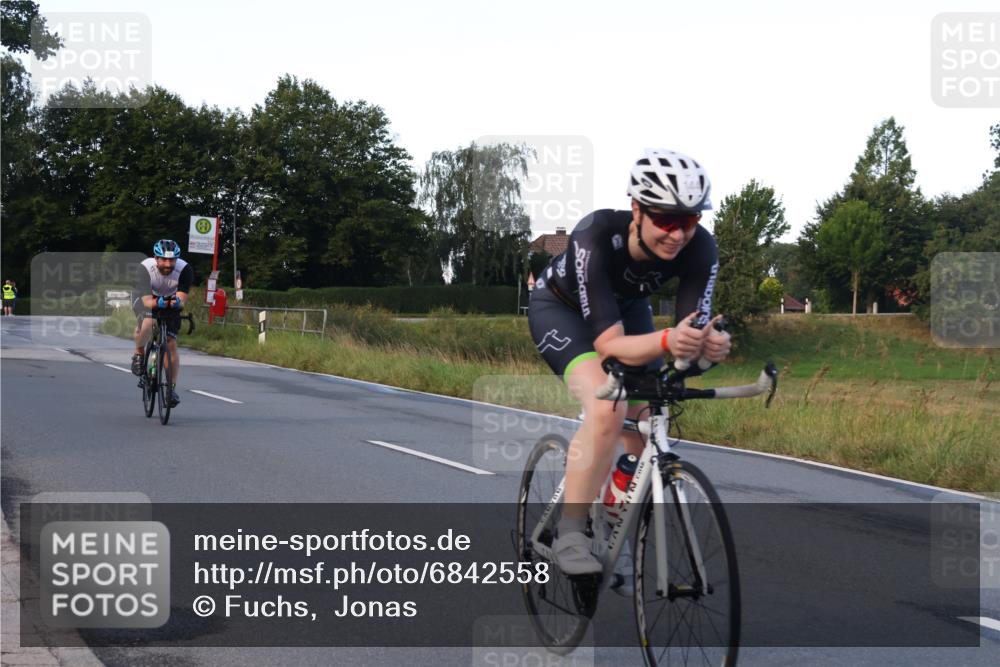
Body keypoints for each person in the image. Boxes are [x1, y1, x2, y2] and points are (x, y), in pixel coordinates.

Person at [527, 149, 732, 577]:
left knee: (648, 418)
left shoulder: (702, 249)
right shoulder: (597, 233)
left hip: (626, 308)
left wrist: (706, 351)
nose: (679, 235)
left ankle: (610, 521)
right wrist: (667, 339)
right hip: (562, 310)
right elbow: (610, 347)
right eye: (667, 220)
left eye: (690, 221)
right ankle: (569, 533)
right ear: (637, 210)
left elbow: (685, 345)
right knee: (608, 406)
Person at [131, 239, 192, 407]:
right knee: (149, 321)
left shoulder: (184, 269)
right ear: (156, 258)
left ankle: (170, 389)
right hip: (145, 298)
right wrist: (163, 302)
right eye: (163, 259)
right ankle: (138, 353)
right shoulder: (145, 268)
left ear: (177, 259)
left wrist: (174, 303)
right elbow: (147, 302)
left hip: (169, 301)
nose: (167, 264)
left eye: (172, 260)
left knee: (171, 343)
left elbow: (181, 300)